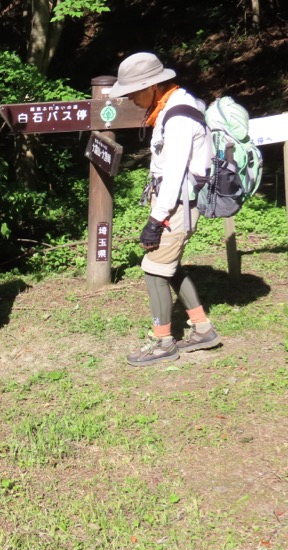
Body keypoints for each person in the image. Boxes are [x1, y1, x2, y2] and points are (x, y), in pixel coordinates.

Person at [108, 52, 221, 366]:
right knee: (168, 266)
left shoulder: (179, 116)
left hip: (176, 206)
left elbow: (174, 173)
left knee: (153, 269)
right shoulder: (170, 107)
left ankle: (163, 342)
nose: (130, 98)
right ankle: (202, 329)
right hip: (173, 202)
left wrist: (156, 220)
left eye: (133, 91)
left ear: (154, 85)